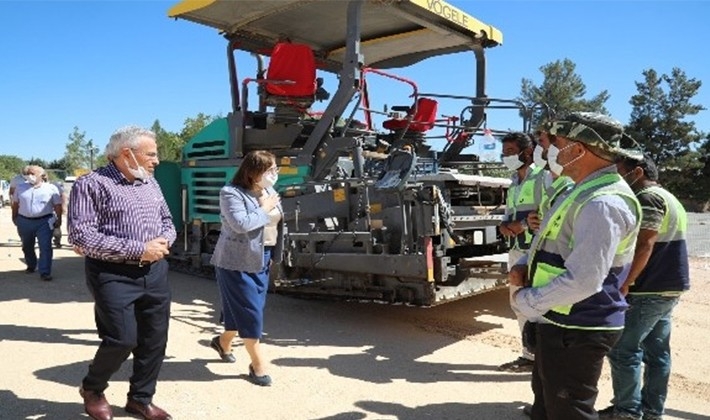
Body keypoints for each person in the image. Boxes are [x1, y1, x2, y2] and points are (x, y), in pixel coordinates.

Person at [510, 112, 641, 420]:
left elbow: (584, 280)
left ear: (579, 149)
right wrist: (526, 267)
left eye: (557, 143)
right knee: (546, 405)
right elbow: (547, 239)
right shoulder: (576, 191)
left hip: (579, 327)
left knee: (569, 411)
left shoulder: (603, 203)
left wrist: (528, 303)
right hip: (558, 320)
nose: (549, 150)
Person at [68, 126, 175, 420]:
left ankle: (140, 399)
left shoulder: (150, 182)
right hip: (112, 274)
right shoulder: (91, 184)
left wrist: (165, 241)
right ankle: (93, 388)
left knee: (154, 340)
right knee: (121, 339)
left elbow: (167, 220)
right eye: (151, 154)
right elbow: (81, 237)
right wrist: (138, 249)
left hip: (155, 272)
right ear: (127, 154)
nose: (156, 160)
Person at [599, 154, 690, 420]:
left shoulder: (647, 198)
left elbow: (645, 244)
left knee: (623, 350)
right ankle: (651, 411)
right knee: (656, 353)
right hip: (669, 286)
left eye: (619, 171)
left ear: (637, 172)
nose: (617, 178)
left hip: (648, 288)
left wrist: (625, 283)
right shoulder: (670, 198)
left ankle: (627, 411)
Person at [209, 150, 283, 387]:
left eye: (275, 169)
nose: (275, 174)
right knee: (251, 311)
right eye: (270, 170)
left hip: (263, 257)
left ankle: (222, 342)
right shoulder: (231, 193)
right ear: (253, 172)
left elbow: (276, 223)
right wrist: (264, 207)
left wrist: (274, 252)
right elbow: (241, 225)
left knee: (246, 309)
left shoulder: (268, 191)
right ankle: (258, 365)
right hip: (235, 261)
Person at [498, 132, 550, 372]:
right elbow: (510, 214)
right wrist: (504, 225)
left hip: (536, 251)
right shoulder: (513, 182)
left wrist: (525, 225)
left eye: (510, 152)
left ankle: (544, 358)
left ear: (527, 153)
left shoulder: (543, 178)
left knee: (538, 305)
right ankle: (529, 356)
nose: (505, 156)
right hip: (516, 250)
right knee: (518, 304)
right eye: (504, 152)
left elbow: (550, 212)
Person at [11, 165, 62, 281]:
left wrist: (59, 219)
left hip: (44, 221)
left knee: (45, 247)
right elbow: (15, 204)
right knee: (27, 246)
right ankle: (31, 265)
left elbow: (57, 205)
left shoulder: (51, 188)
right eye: (28, 173)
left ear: (41, 175)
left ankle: (45, 272)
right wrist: (14, 217)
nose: (30, 176)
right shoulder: (20, 188)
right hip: (24, 221)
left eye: (33, 174)